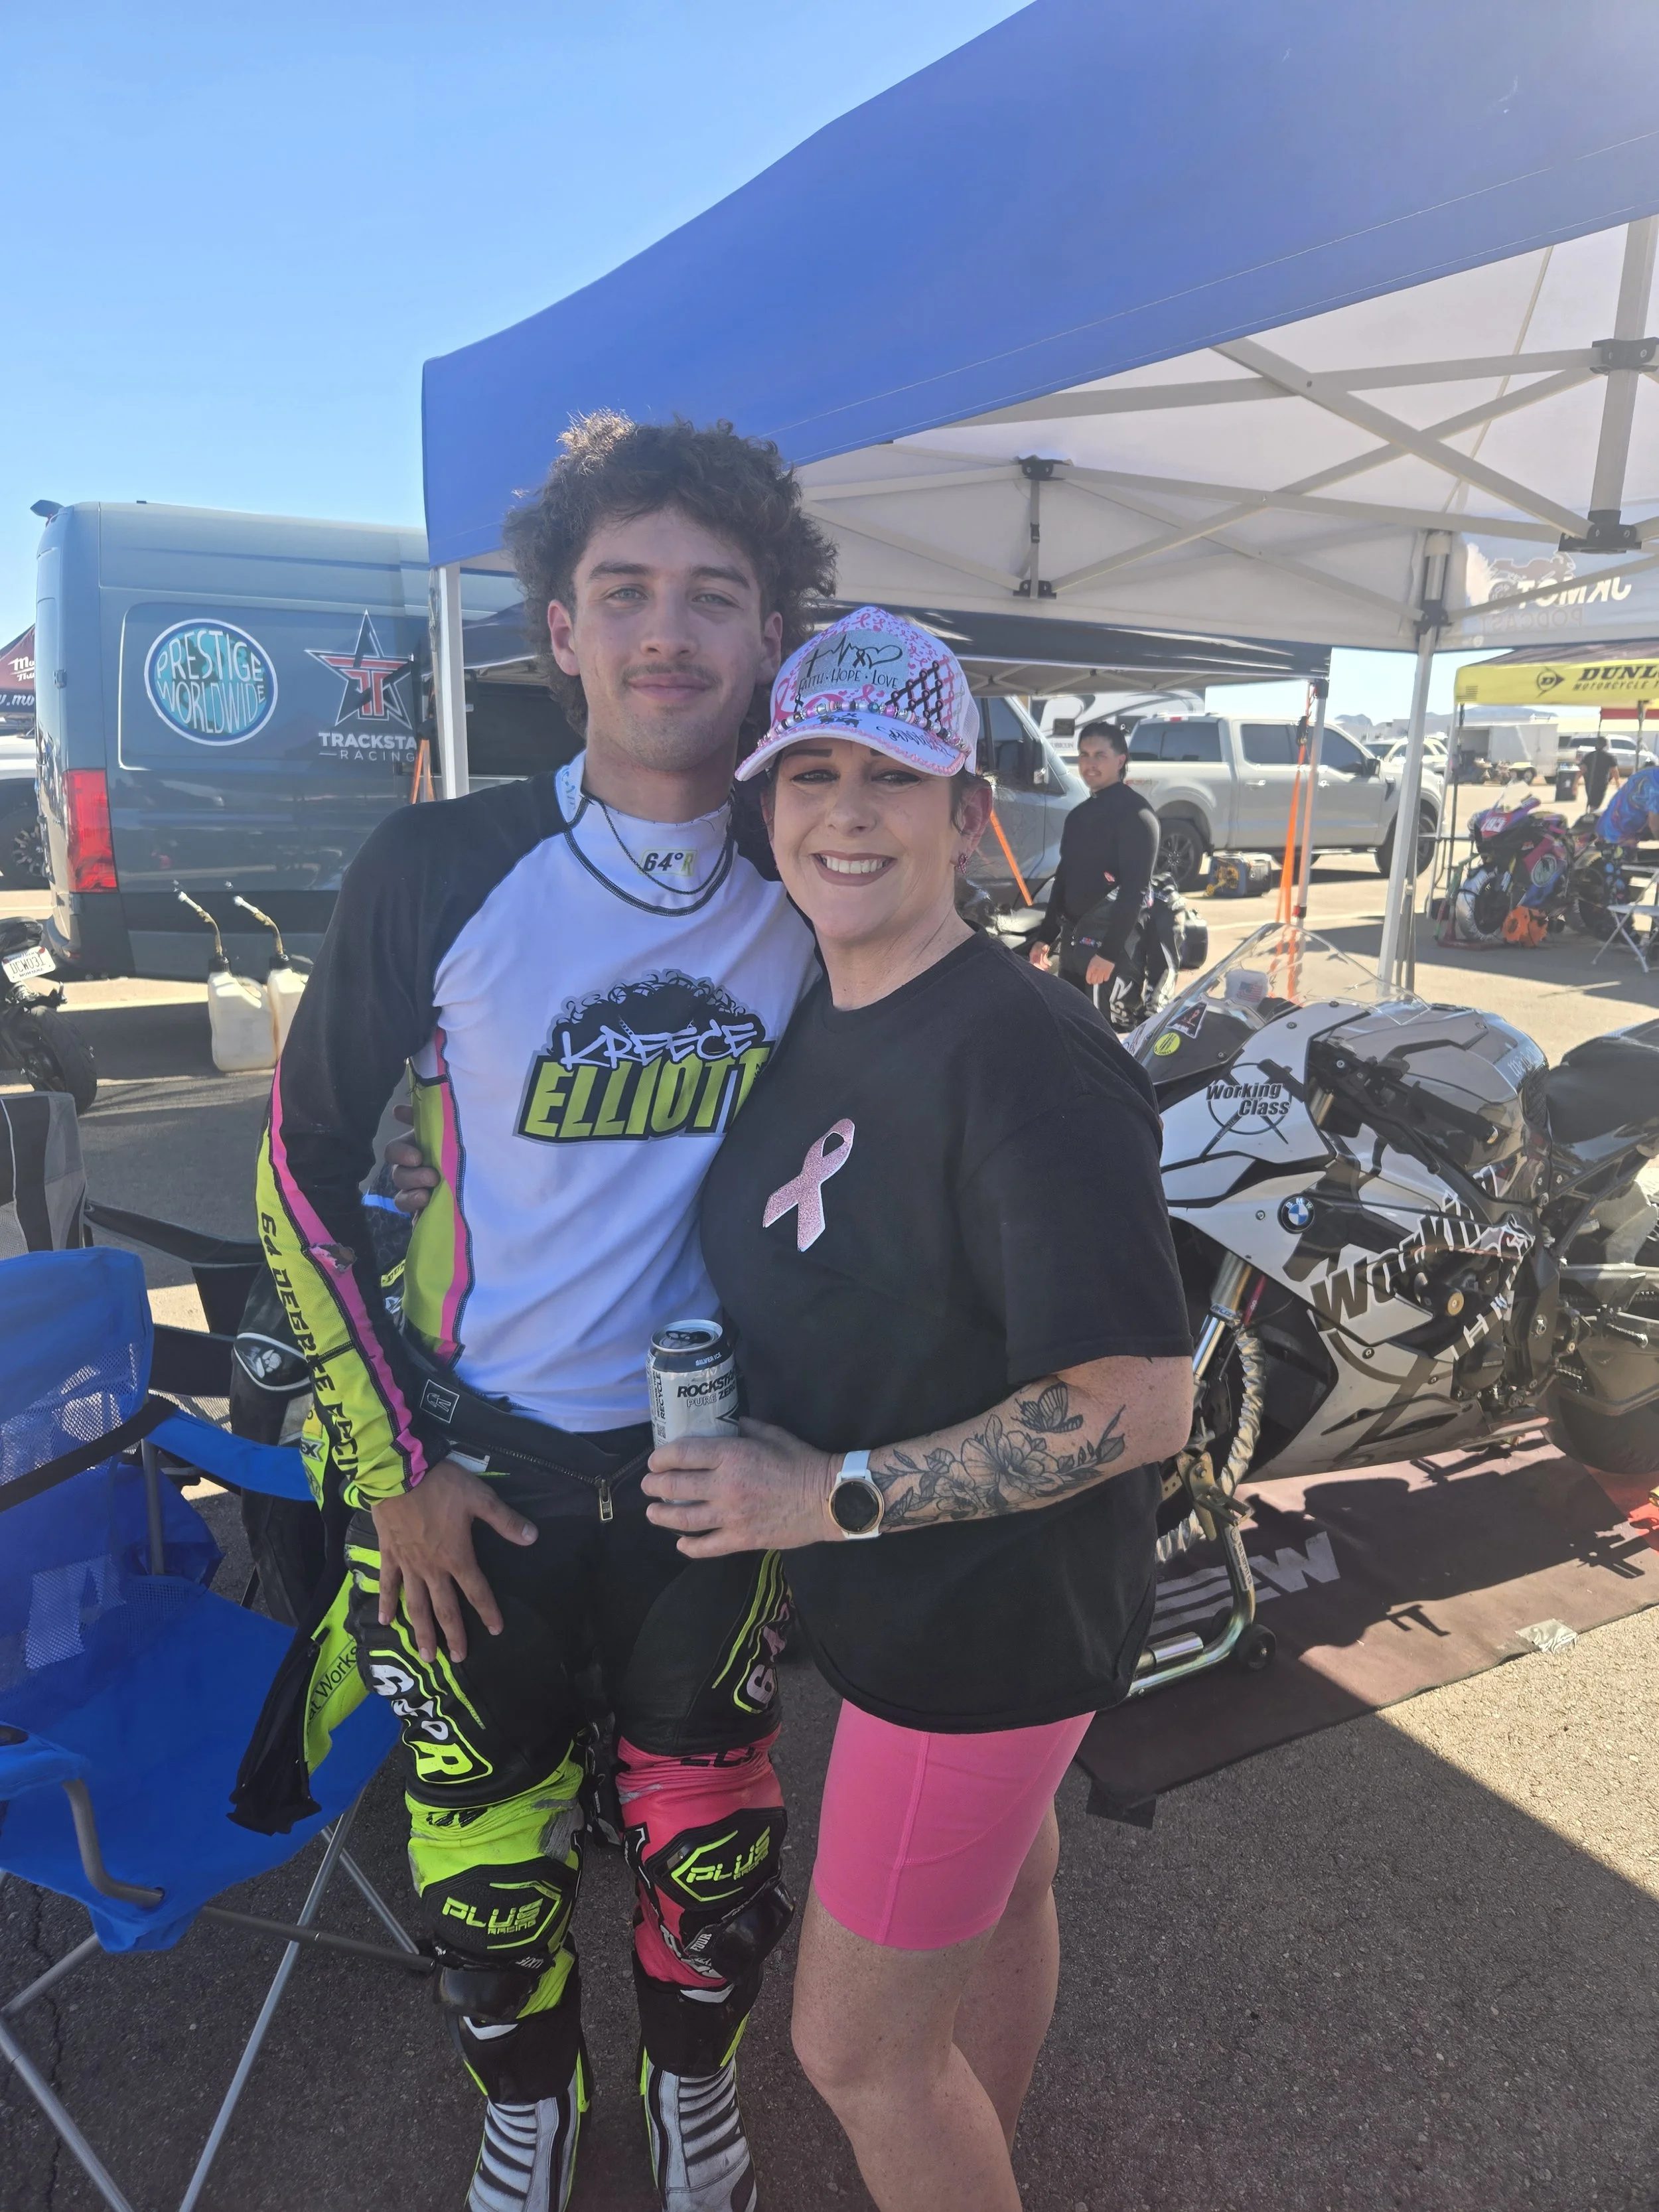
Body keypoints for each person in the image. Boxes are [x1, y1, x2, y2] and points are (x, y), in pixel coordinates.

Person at [257, 412, 835, 2212]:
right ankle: (529, 2102)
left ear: (767, 636)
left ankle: (691, 2089)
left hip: (710, 1474)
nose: (668, 628)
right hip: (474, 1469)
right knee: (484, 1864)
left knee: (713, 1846)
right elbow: (295, 1171)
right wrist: (391, 1475)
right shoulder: (435, 863)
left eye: (712, 595)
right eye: (625, 589)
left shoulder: (818, 873)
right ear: (562, 629)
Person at [640, 609, 1195, 2212]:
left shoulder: (1027, 1056)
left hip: (982, 1625)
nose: (845, 811)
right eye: (809, 771)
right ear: (764, 804)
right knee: (1005, 1887)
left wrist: (824, 1494)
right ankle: (982, 2143)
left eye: (891, 775)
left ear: (966, 814)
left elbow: (1139, 1401)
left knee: (856, 2050)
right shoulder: (823, 1001)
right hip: (917, 1606)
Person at [1028, 718, 1159, 999]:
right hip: (1074, 948)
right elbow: (1064, 877)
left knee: (1103, 1027)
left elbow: (1135, 891)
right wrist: (1046, 936)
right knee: (1072, 1023)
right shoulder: (1079, 816)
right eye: (1084, 755)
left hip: (1109, 956)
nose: (1090, 763)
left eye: (1100, 755)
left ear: (1120, 761)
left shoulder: (1138, 817)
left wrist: (1108, 954)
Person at [1598, 756, 1659, 846]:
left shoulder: (1650, 774)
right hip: (1619, 832)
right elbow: (1654, 825)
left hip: (1608, 824)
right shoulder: (1656, 788)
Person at [1581, 731, 1620, 812]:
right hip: (1601, 783)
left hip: (1590, 782)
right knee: (1596, 804)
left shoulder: (1589, 755)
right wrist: (1617, 782)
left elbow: (1582, 770)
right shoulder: (1608, 757)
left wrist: (1575, 783)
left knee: (1592, 802)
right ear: (1605, 745)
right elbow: (1614, 770)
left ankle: (1592, 813)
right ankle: (1592, 815)